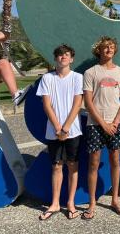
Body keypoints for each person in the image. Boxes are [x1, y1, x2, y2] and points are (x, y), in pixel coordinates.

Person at [83, 36, 120, 219]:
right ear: (99, 51)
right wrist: (103, 124)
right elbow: (88, 102)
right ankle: (92, 203)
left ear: (115, 50)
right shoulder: (90, 73)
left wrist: (115, 122)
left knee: (115, 162)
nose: (108, 49)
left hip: (116, 124)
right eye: (105, 47)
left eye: (111, 47)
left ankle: (115, 199)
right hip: (95, 125)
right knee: (93, 163)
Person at [36, 44, 83, 221]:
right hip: (53, 131)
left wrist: (66, 127)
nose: (63, 57)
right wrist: (57, 127)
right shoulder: (47, 79)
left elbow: (78, 103)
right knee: (56, 166)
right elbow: (46, 105)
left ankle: (71, 203)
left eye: (66, 55)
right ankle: (55, 203)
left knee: (73, 166)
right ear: (55, 59)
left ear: (71, 59)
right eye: (60, 55)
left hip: (73, 130)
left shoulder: (78, 78)